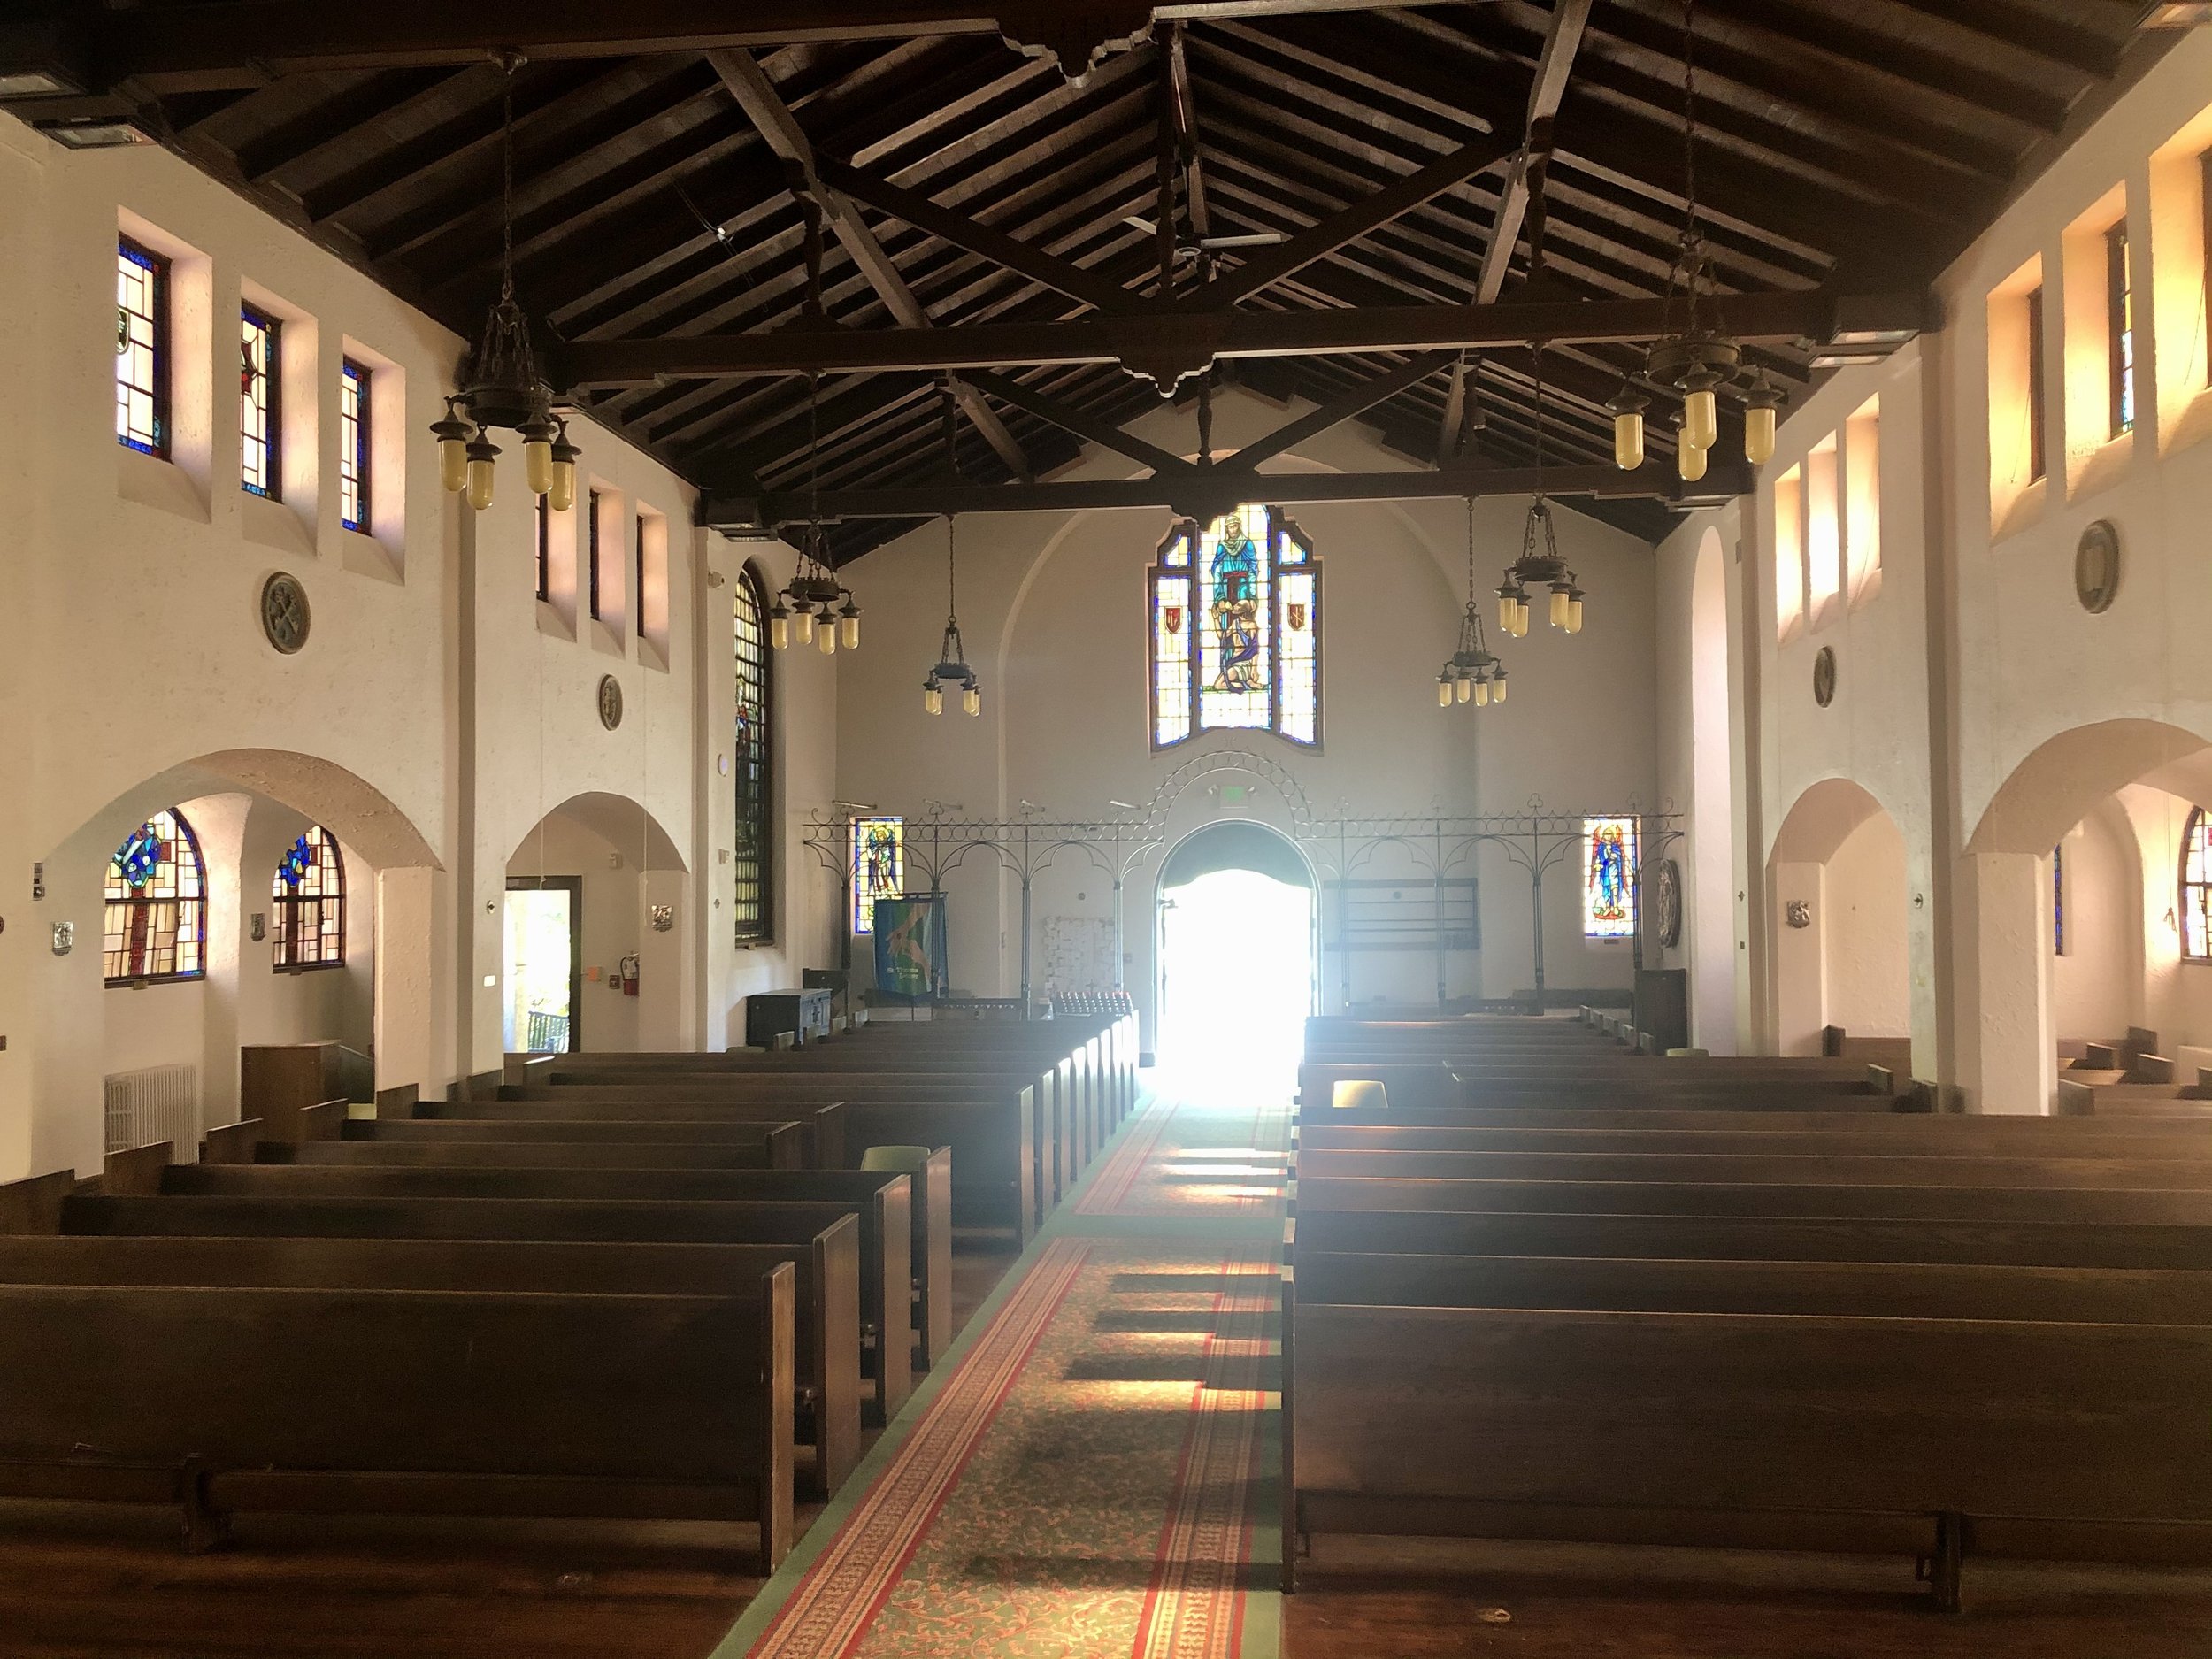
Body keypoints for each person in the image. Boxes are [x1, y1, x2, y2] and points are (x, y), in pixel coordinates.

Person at [1209, 515, 1264, 693]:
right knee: (1229, 632)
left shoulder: (1247, 544)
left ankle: (1247, 674)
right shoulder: (1222, 546)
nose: (1232, 530)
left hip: (1243, 590)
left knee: (1244, 626)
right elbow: (1216, 569)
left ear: (1239, 527)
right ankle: (1228, 669)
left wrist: (1252, 597)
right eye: (1230, 527)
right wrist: (1219, 598)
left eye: (1235, 526)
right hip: (1226, 590)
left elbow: (1252, 569)